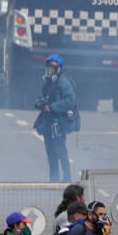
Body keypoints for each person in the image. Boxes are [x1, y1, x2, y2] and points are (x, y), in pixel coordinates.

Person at [34, 55, 79, 184]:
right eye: (48, 66)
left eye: (53, 67)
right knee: (50, 153)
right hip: (48, 122)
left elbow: (70, 100)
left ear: (59, 68)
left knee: (61, 151)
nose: (49, 69)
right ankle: (53, 180)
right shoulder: (48, 82)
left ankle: (66, 180)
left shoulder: (64, 82)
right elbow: (44, 97)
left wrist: (53, 107)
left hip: (58, 122)